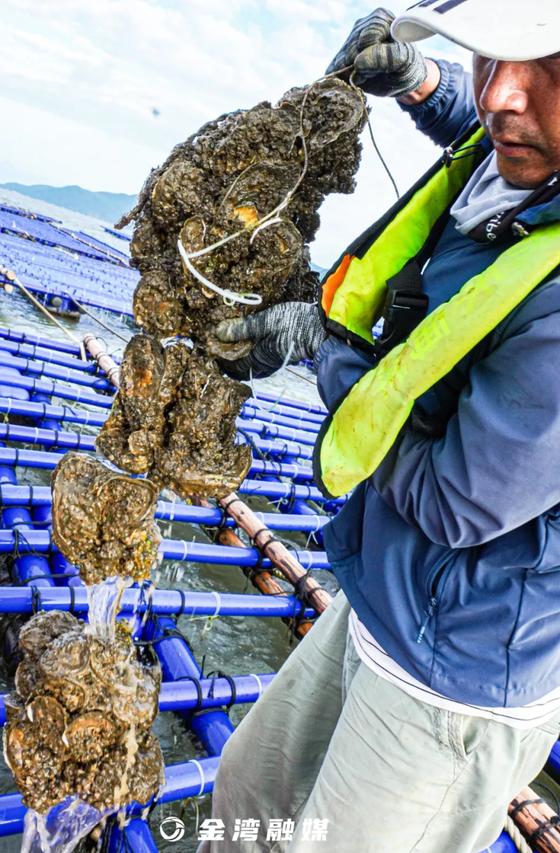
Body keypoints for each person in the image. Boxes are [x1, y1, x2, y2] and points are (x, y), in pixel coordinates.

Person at [198, 2, 560, 851]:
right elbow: (487, 132)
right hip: (384, 594)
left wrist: (321, 346)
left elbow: (455, 500)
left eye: (550, 64)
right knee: (245, 802)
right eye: (486, 56)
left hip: (456, 677)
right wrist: (422, 80)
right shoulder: (523, 144)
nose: (503, 91)